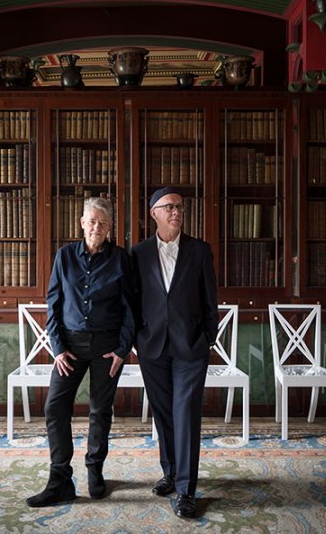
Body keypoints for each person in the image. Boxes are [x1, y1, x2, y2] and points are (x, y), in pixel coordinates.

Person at [26, 196, 137, 507]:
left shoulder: (121, 259)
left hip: (106, 347)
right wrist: (58, 348)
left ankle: (94, 470)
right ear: (82, 223)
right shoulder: (64, 257)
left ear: (110, 227)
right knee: (54, 408)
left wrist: (122, 349)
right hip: (70, 348)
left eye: (102, 223)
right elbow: (53, 305)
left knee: (100, 410)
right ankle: (59, 477)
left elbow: (131, 308)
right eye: (91, 221)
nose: (96, 227)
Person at [131, 187, 218, 519]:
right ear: (154, 212)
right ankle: (169, 471)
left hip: (191, 346)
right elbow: (133, 299)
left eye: (180, 207)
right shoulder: (137, 253)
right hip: (152, 345)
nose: (176, 212)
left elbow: (211, 300)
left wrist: (207, 338)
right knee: (164, 413)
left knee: (185, 415)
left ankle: (186, 490)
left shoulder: (199, 251)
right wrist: (138, 338)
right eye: (169, 207)